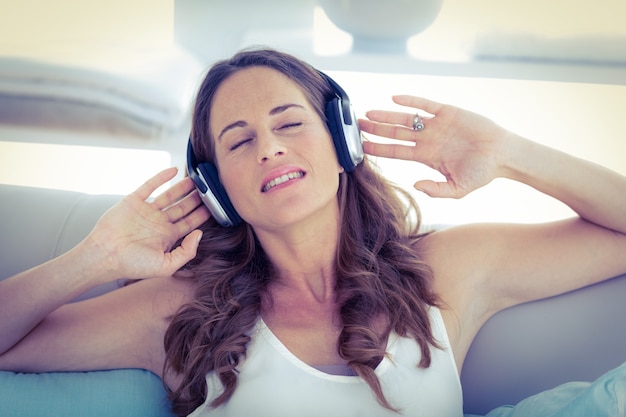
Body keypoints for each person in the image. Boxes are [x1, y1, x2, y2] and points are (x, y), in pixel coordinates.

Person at [1, 48, 625, 417]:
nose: (269, 148)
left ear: (342, 139)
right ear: (216, 186)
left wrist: (510, 152)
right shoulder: (179, 310)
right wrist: (96, 257)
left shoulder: (448, 269)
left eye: (290, 123)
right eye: (239, 140)